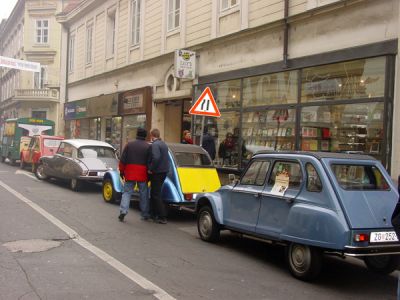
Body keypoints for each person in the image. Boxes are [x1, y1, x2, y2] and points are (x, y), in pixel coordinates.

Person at [118, 128, 150, 222]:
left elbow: (123, 159)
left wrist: (121, 171)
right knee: (143, 194)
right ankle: (145, 214)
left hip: (130, 171)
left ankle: (123, 211)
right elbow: (149, 161)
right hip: (142, 173)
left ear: (137, 134)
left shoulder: (129, 144)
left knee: (127, 193)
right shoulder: (148, 146)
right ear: (145, 135)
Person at [148, 128, 170, 224]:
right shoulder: (163, 144)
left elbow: (156, 157)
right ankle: (153, 214)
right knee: (155, 193)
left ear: (152, 135)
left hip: (157, 172)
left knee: (155, 194)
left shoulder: (155, 145)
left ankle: (162, 216)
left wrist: (151, 168)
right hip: (164, 171)